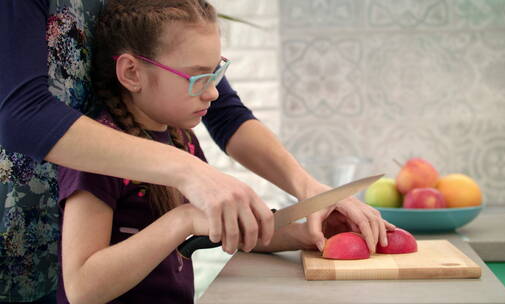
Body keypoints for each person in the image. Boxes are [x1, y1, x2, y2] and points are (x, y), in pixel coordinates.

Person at [0, 0, 394, 302]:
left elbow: (220, 217)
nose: (212, 92)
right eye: (198, 78)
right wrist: (184, 217)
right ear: (132, 73)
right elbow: (84, 288)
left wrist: (307, 228)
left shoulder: (177, 135)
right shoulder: (97, 155)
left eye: (217, 74)